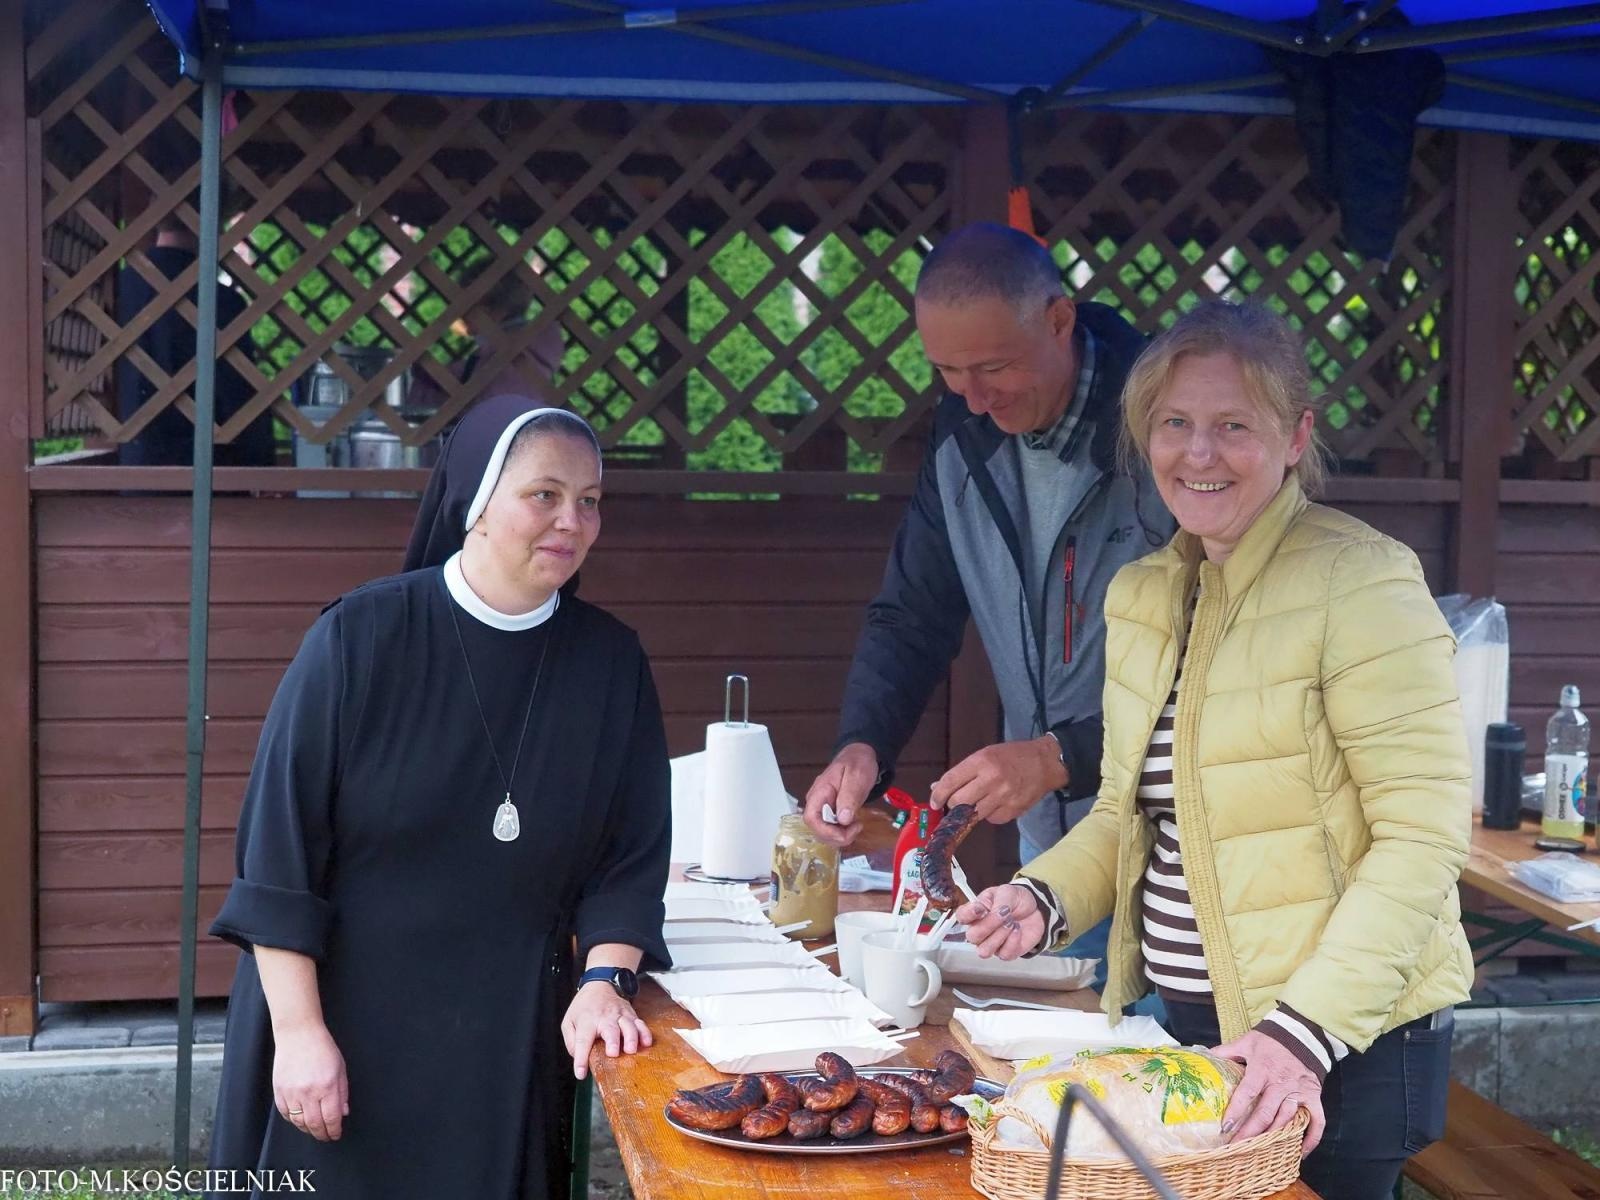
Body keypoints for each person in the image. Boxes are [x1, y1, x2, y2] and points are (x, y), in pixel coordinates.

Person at [956, 301, 1471, 1200]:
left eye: (1233, 425)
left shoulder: (1363, 580)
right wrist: (1042, 897)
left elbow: (1422, 840)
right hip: (1194, 1036)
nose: (1199, 453)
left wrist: (1300, 1033)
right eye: (1174, 424)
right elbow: (1125, 813)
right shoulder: (1144, 594)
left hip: (1338, 1043)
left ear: (1295, 435)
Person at [206, 401, 670, 1199]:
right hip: (340, 1025)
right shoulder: (360, 638)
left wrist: (605, 979)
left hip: (503, 1039)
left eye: (590, 500)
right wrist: (302, 1034)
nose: (572, 520)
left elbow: (631, 856)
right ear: (477, 501)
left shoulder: (611, 663)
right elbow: (277, 859)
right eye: (545, 494)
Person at [803, 222, 1172, 974]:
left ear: (1059, 319)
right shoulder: (961, 435)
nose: (972, 397)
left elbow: (1219, 664)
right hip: (1056, 855)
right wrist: (863, 743)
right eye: (947, 371)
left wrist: (1060, 754)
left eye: (993, 367)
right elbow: (913, 613)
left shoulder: (1163, 429)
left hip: (1177, 846)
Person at [114, 214, 277, 467]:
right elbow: (239, 396)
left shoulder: (116, 292)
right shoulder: (222, 302)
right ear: (212, 223)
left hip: (130, 463)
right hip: (208, 466)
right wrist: (261, 459)